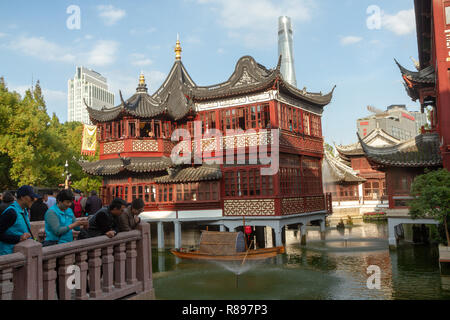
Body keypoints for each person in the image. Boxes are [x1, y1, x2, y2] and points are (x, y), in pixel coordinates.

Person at [0, 186, 36, 255]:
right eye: (31, 197)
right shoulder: (11, 212)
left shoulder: (24, 211)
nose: (34, 199)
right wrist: (19, 238)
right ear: (22, 197)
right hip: (8, 256)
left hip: (20, 254)